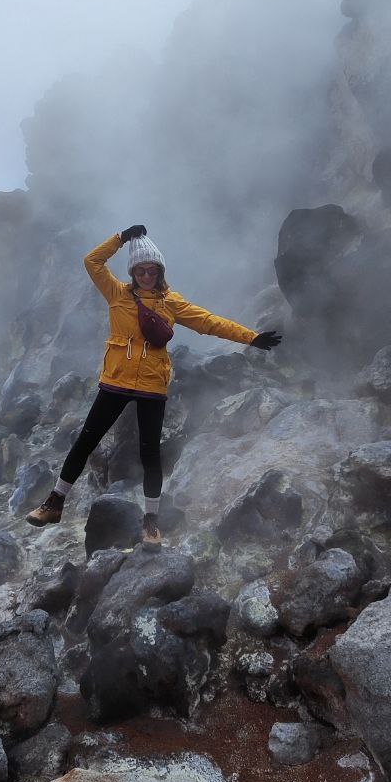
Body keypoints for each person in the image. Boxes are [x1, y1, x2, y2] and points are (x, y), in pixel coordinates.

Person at [26, 225, 281, 547]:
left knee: (150, 454)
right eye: (141, 270)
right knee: (85, 442)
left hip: (151, 386)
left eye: (152, 269)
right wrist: (120, 238)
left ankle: (150, 522)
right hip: (115, 381)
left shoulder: (171, 302)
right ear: (133, 272)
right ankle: (54, 504)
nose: (146, 275)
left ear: (160, 271)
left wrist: (252, 338)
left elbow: (209, 322)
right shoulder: (117, 293)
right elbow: (92, 262)